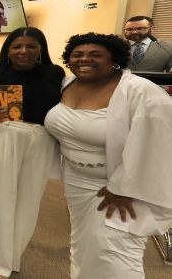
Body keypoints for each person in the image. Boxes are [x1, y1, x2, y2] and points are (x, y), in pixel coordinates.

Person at [44, 33, 172, 279]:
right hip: (76, 182)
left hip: (120, 189)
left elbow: (159, 145)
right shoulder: (68, 84)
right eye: (77, 54)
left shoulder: (140, 91)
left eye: (95, 55)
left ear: (114, 59)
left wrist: (124, 188)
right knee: (84, 246)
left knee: (117, 255)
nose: (85, 60)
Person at [0, 27, 65, 279]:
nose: (24, 51)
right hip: (2, 136)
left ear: (41, 49)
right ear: (7, 50)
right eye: (17, 46)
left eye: (31, 46)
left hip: (40, 142)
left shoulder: (55, 74)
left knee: (27, 200)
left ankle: (11, 254)